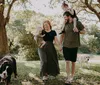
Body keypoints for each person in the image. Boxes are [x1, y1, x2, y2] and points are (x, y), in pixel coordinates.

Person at [60, 11, 85, 84]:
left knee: (73, 62)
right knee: (67, 62)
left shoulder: (77, 23)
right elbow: (62, 34)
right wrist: (60, 45)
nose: (64, 19)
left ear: (69, 16)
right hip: (66, 46)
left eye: (65, 17)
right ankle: (68, 77)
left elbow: (84, 31)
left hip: (74, 46)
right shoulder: (65, 24)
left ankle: (72, 77)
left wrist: (78, 31)